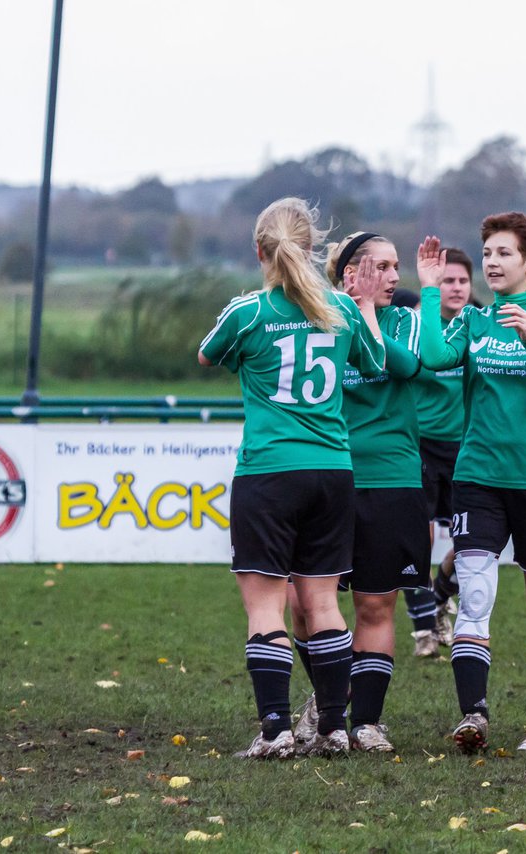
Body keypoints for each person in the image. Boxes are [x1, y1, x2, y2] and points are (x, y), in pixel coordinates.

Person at [198, 198, 386, 759]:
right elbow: (375, 366)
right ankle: (332, 728)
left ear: (260, 251)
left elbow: (210, 355)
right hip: (332, 471)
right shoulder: (343, 311)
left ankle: (276, 730)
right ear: (312, 249)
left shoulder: (249, 311)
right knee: (323, 604)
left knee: (265, 607)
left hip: (270, 472)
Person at [416, 212, 526, 754]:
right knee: (475, 594)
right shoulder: (473, 320)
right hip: (478, 477)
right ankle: (474, 716)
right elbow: (434, 355)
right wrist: (426, 291)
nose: (491, 263)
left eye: (504, 253)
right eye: (487, 253)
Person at [306, 230, 429, 753]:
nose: (395, 277)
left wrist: (369, 317)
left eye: (397, 266)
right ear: (350, 274)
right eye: (382, 267)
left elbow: (404, 366)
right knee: (305, 602)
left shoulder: (407, 320)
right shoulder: (317, 321)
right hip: (330, 476)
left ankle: (369, 722)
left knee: (376, 606)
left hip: (393, 479)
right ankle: (327, 707)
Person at [406, 248, 475, 656]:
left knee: (471, 541)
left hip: (466, 446)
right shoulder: (414, 326)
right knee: (418, 539)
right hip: (419, 445)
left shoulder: (479, 327)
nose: (456, 287)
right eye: (447, 280)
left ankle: (439, 593)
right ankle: (424, 631)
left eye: (463, 281)